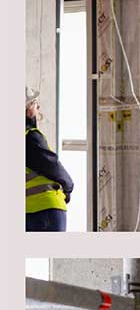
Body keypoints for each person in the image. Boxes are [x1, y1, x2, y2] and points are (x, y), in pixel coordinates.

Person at [25, 86, 73, 232]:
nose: (38, 107)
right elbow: (52, 166)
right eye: (34, 103)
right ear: (27, 110)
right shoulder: (31, 137)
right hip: (47, 208)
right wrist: (69, 187)